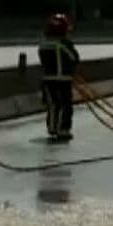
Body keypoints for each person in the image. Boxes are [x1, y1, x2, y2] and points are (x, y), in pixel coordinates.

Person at [37, 14, 80, 143]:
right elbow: (74, 58)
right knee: (65, 105)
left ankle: (52, 127)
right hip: (63, 80)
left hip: (47, 80)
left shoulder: (43, 44)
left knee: (53, 105)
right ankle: (63, 129)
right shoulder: (64, 44)